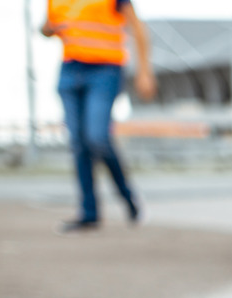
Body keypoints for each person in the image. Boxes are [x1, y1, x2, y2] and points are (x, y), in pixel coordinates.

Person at [42, 0, 157, 233]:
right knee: (79, 143)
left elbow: (138, 29)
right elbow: (47, 27)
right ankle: (89, 213)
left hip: (105, 69)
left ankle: (128, 196)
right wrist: (49, 30)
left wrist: (144, 72)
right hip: (70, 69)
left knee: (97, 137)